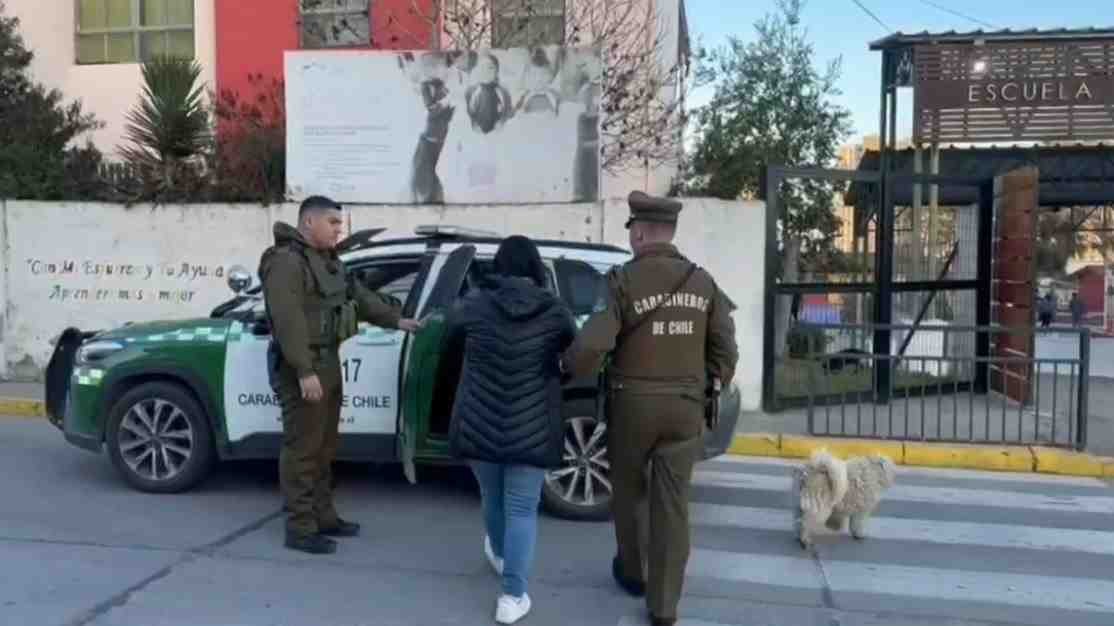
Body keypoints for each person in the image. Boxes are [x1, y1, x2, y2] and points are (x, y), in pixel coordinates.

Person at [562, 191, 739, 626]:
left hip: (632, 408)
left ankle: (633, 573)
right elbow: (726, 352)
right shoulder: (703, 282)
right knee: (673, 506)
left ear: (639, 233)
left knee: (630, 496)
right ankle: (664, 607)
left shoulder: (622, 280)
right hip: (686, 408)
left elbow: (592, 344)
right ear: (670, 233)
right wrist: (708, 382)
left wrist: (569, 367)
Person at [259, 195, 422, 555]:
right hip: (304, 366)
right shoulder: (285, 262)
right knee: (303, 450)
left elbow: (359, 297)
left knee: (324, 447)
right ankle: (300, 528)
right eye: (332, 223)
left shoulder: (327, 260)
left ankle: (324, 516)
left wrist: (397, 320)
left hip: (329, 361)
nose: (339, 230)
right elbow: (288, 321)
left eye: (339, 223)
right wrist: (304, 371)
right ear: (309, 222)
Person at [443, 235, 577, 624]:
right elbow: (574, 350)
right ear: (536, 267)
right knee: (522, 509)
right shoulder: (554, 310)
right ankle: (512, 597)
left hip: (479, 420)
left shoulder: (474, 303)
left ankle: (501, 555)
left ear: (498, 265)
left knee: (491, 496)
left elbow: (448, 329)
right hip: (531, 424)